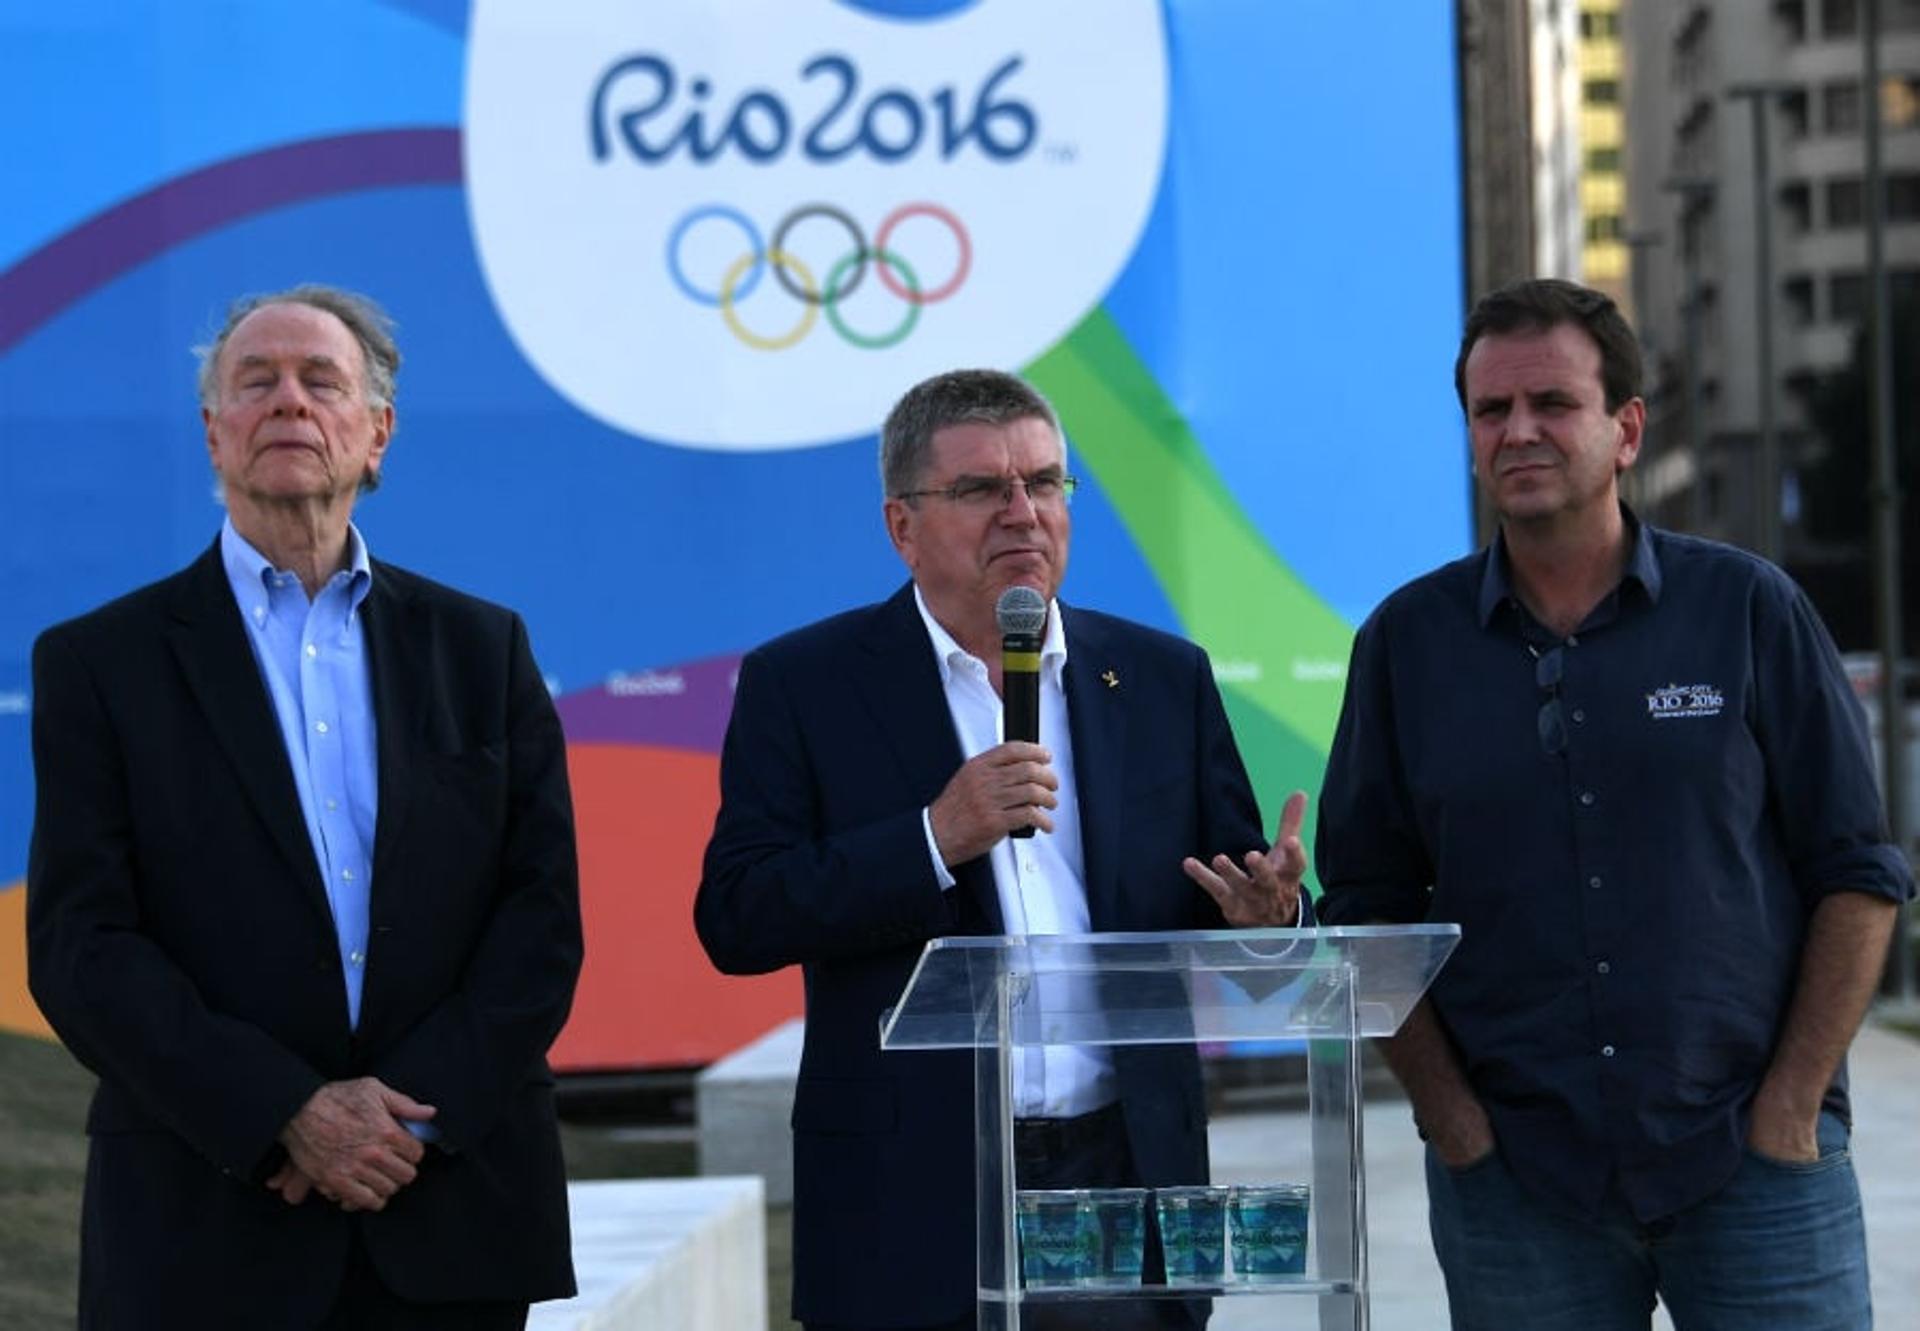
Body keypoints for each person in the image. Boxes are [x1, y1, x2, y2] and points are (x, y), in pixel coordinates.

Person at [1315, 277, 1915, 1330]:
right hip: (1518, 1183)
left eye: (1553, 402)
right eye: (1491, 410)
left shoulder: (1745, 608)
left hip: (1754, 1161)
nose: (1520, 430)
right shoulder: (1408, 645)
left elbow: (1859, 873)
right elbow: (1368, 908)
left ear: (1627, 428)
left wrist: (1792, 1101)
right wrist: (1453, 1119)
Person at [695, 368, 1309, 1330]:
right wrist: (934, 837)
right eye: (983, 488)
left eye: (1047, 483)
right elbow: (739, 913)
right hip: (915, 1185)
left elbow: (1226, 893)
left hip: (1122, 1172)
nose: (1023, 512)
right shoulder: (805, 684)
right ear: (902, 525)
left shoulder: (1157, 677)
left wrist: (1270, 915)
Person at [27, 284, 584, 1329]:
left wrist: (399, 1123)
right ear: (214, 434)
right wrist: (284, 1110)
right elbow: (82, 943)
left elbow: (538, 919)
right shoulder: (101, 664)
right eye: (256, 382)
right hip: (205, 1224)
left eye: (320, 381)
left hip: (450, 1216)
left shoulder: (482, 649)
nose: (288, 401)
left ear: (376, 435)